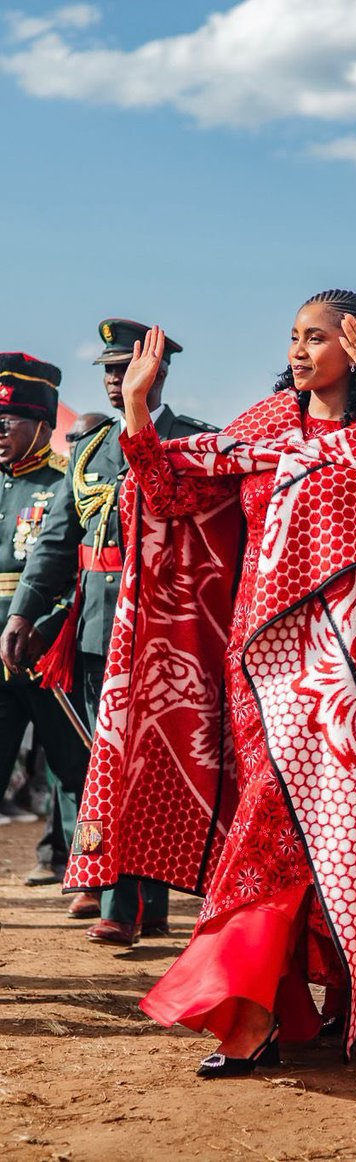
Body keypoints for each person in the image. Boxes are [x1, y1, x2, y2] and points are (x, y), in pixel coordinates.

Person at [61, 290, 356, 1077]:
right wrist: (138, 411)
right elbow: (172, 496)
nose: (298, 350)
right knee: (275, 830)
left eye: (317, 337)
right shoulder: (262, 428)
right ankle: (267, 1006)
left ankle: (279, 1009)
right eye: (294, 336)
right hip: (263, 669)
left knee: (337, 837)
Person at [1, 319, 211, 941]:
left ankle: (142, 903)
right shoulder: (91, 450)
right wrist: (23, 613)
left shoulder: (194, 440)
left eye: (126, 368)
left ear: (158, 370)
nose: (115, 381)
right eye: (109, 371)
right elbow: (55, 542)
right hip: (96, 630)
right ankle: (119, 900)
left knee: (154, 770)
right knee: (105, 765)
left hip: (165, 630)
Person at [0, 353, 91, 883]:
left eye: (8, 421)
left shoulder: (64, 484)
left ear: (40, 424)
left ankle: (83, 870)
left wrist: (46, 629)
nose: (0, 432)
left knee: (73, 769)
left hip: (47, 652)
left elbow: (78, 570)